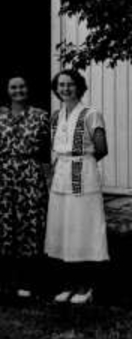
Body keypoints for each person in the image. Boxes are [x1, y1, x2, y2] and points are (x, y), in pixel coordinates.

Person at [0, 75, 51, 298]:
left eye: (22, 86)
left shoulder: (41, 116)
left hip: (30, 175)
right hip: (3, 175)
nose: (18, 90)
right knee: (1, 226)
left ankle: (27, 281)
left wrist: (47, 181)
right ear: (7, 90)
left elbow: (47, 153)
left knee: (28, 226)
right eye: (13, 87)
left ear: (28, 89)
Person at [46, 69, 108, 305]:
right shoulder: (56, 116)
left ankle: (86, 287)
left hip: (83, 174)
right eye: (61, 85)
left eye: (70, 84)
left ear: (79, 87)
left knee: (83, 231)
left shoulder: (91, 114)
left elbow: (101, 149)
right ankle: (68, 285)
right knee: (63, 231)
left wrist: (81, 164)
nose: (65, 89)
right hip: (60, 175)